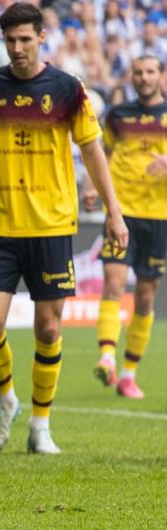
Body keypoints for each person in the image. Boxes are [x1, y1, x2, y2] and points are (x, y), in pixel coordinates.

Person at [0, 3, 129, 454]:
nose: (18, 48)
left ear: (41, 38)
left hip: (51, 223)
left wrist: (114, 210)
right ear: (2, 41)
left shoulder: (68, 89)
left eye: (25, 39)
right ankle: (6, 401)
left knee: (48, 330)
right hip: (1, 224)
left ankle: (41, 425)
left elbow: (92, 151)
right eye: (10, 41)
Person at [90, 54, 167, 399]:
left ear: (161, 76)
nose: (144, 77)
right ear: (131, 77)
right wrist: (94, 187)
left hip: (160, 217)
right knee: (114, 282)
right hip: (121, 214)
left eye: (150, 71)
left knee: (146, 297)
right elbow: (103, 155)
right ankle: (106, 355)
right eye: (138, 72)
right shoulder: (117, 115)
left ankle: (128, 374)